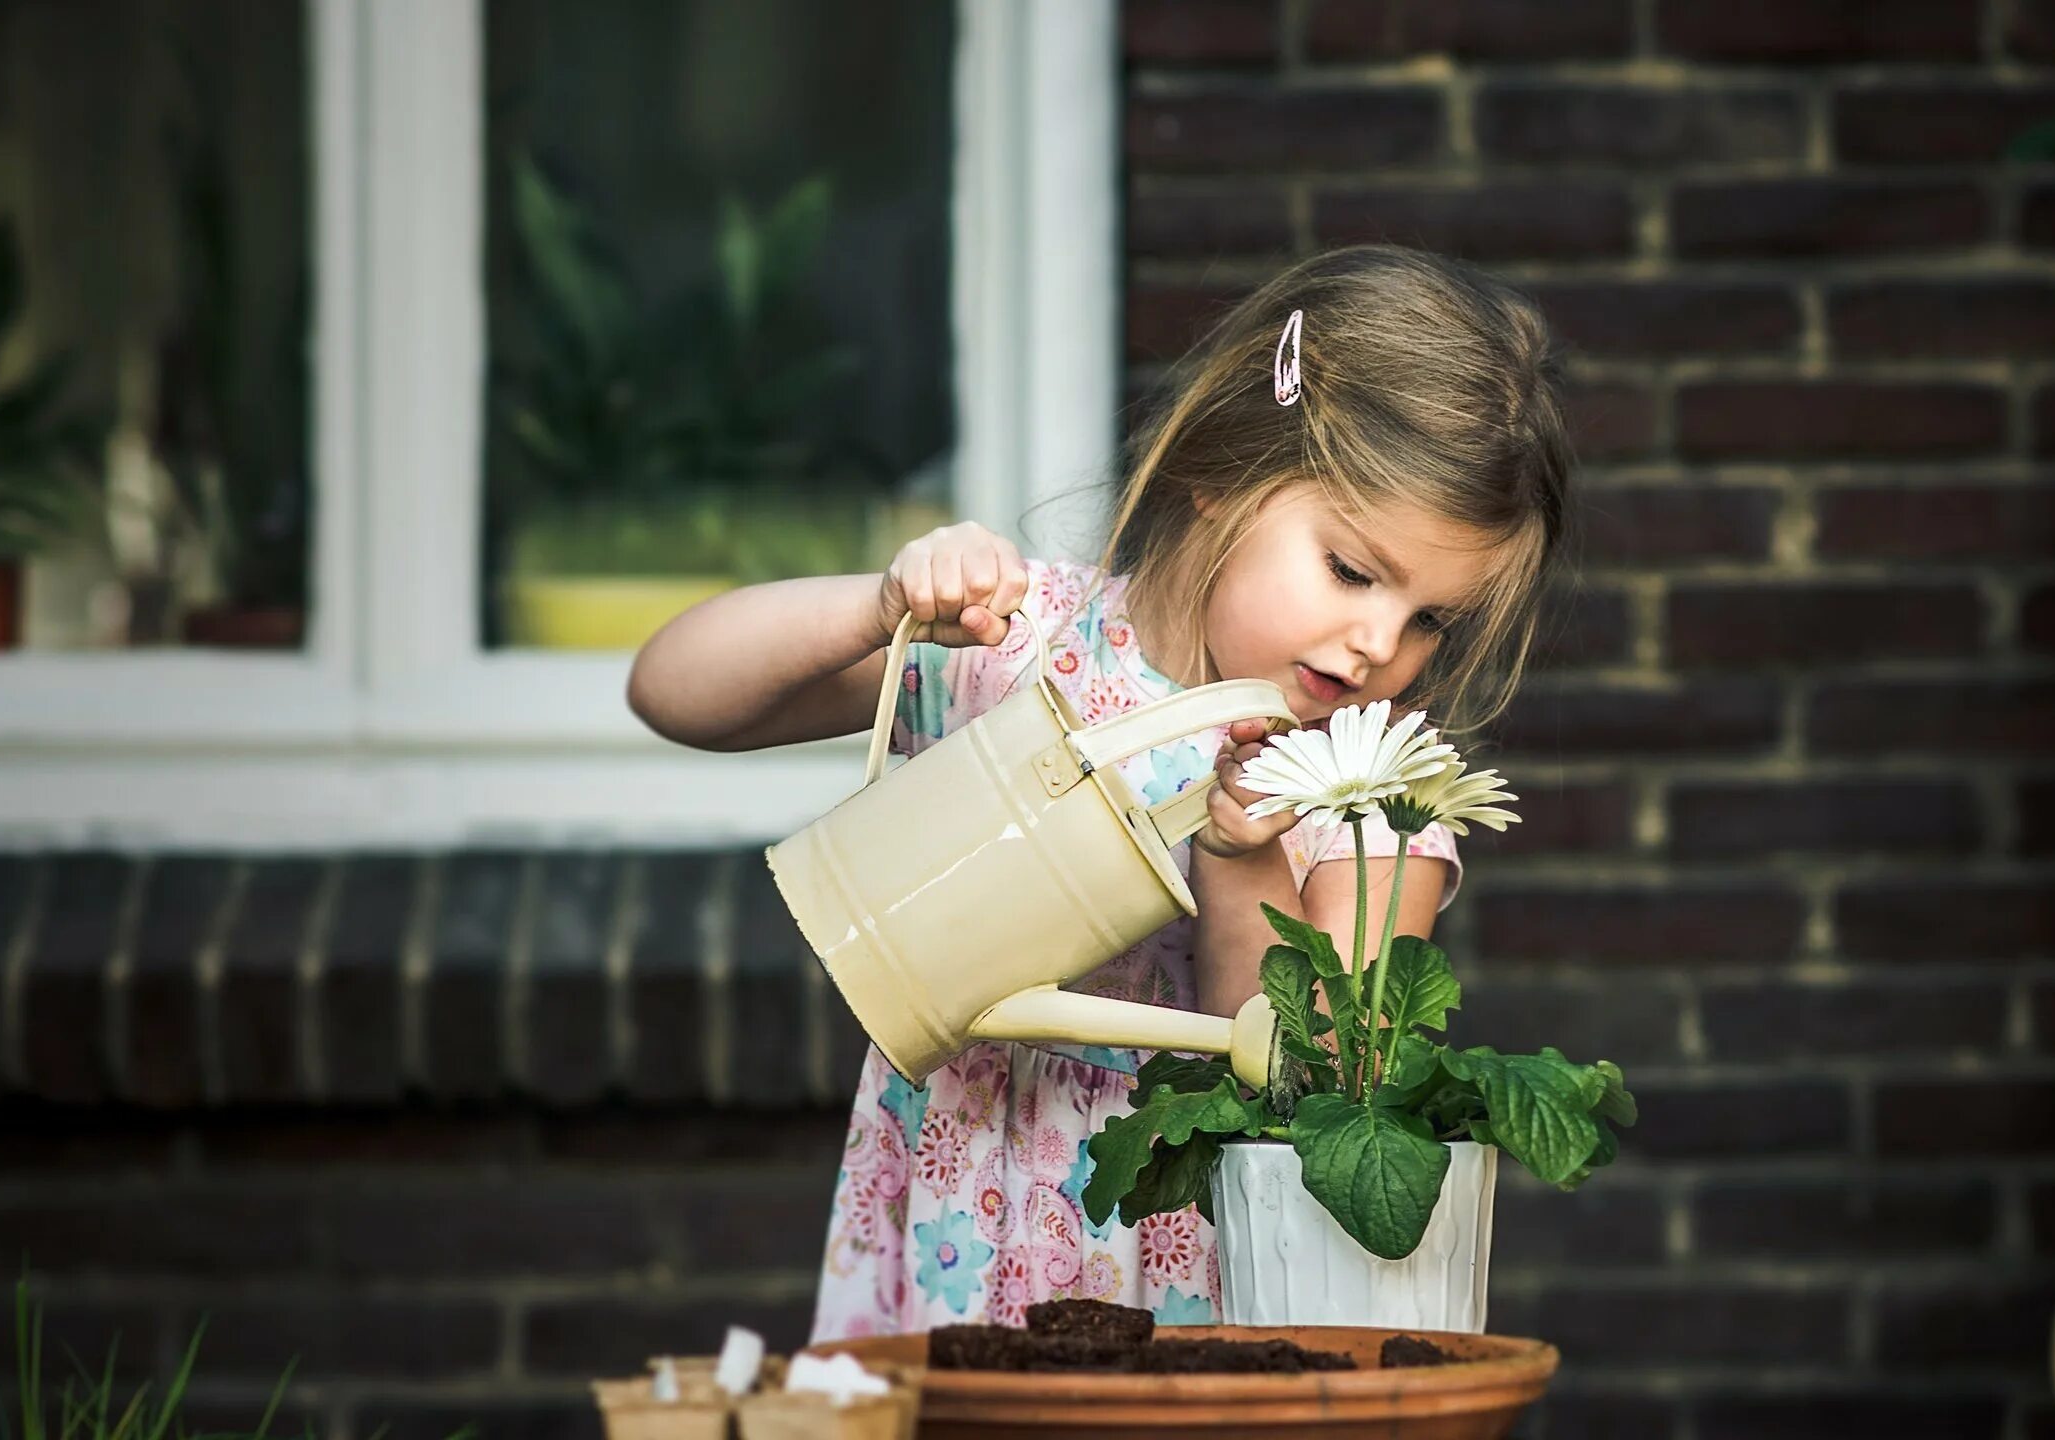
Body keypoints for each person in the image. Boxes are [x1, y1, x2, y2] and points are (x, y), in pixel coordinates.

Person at [628, 245, 1574, 1338]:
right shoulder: (1016, 644)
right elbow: (678, 693)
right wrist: (875, 605)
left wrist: (1241, 860)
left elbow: (1312, 1098)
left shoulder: (1374, 791)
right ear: (1218, 476)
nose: (1378, 644)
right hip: (958, 1230)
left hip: (1188, 1270)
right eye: (1353, 572)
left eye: (1430, 621)